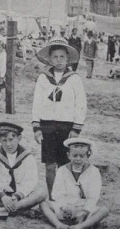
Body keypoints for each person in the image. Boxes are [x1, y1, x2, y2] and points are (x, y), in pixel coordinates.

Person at [32, 37, 87, 196]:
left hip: (66, 126)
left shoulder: (74, 79)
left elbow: (81, 104)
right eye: (55, 57)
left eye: (62, 57)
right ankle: (51, 196)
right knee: (50, 164)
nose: (58, 60)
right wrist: (36, 127)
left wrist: (76, 128)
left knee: (65, 164)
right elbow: (37, 102)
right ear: (49, 59)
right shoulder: (43, 78)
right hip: (47, 125)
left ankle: (66, 194)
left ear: (67, 58)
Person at [0, 122, 46, 213]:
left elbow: (30, 182)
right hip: (0, 196)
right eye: (4, 140)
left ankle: (3, 209)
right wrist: (3, 197)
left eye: (11, 139)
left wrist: (17, 196)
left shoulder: (28, 157)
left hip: (20, 196)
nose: (8, 144)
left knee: (42, 192)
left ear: (19, 138)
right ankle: (19, 209)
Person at [41, 138, 109, 229]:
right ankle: (59, 225)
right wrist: (63, 206)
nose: (78, 159)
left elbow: (93, 196)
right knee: (44, 204)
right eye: (75, 155)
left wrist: (85, 211)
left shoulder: (94, 172)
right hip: (65, 208)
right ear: (69, 156)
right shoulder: (62, 170)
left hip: (82, 209)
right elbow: (57, 193)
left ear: (87, 156)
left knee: (104, 210)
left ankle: (80, 226)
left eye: (82, 156)